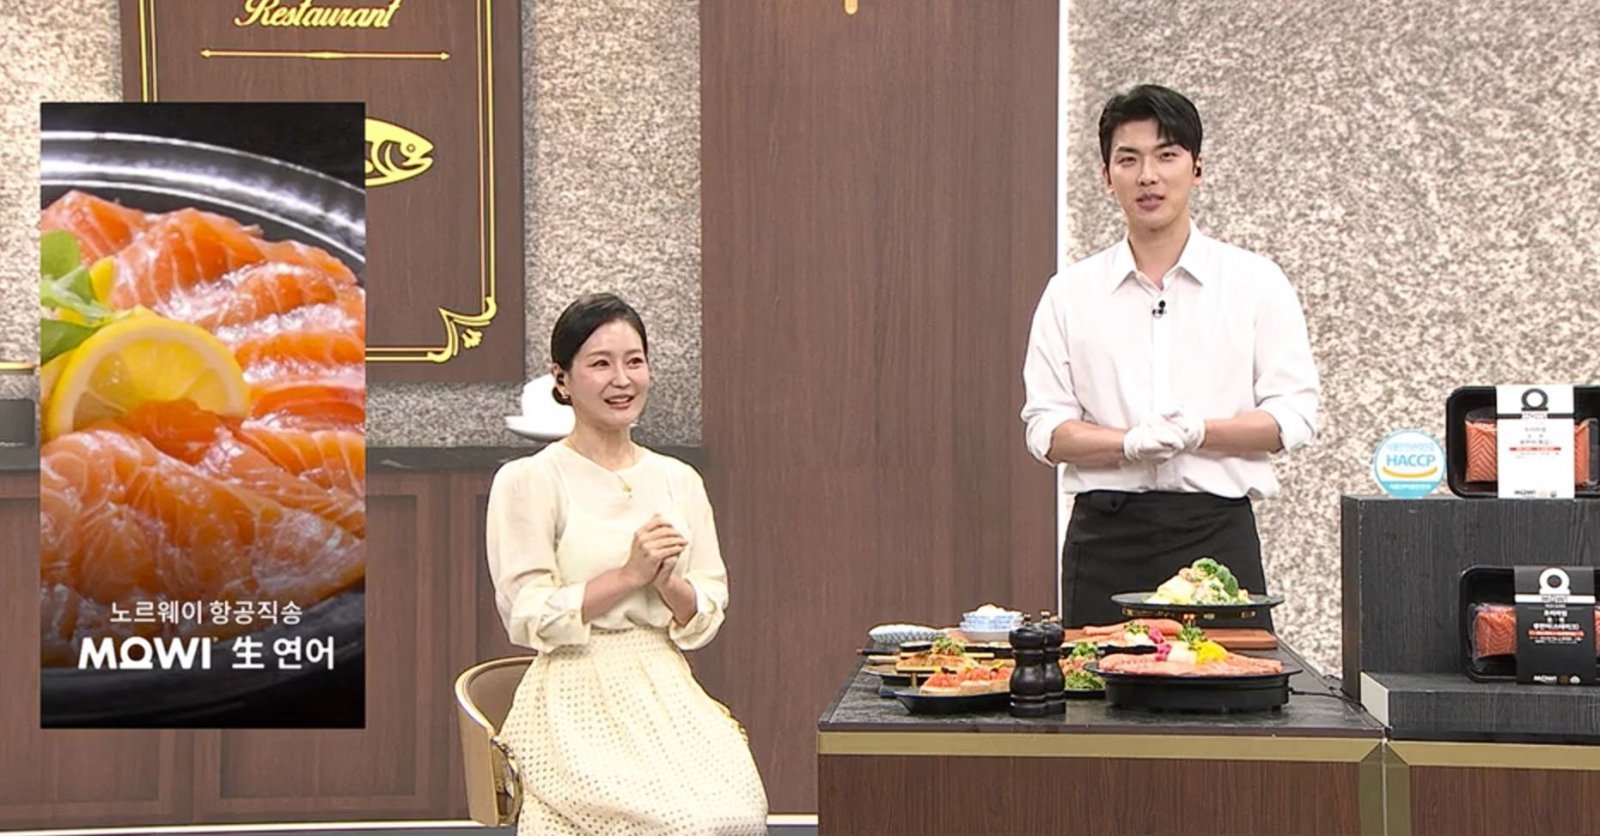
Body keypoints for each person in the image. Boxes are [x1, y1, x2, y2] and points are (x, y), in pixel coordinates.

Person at [1020, 84, 1321, 628]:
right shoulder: (1069, 293)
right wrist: (1128, 443)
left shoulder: (1255, 282)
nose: (1148, 176)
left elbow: (1292, 418)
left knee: (1233, 681)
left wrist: (1200, 433)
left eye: (1166, 155)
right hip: (1106, 535)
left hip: (1216, 533)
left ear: (1197, 167)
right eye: (1128, 160)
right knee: (1098, 680)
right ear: (1106, 176)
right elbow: (1047, 430)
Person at [486, 292, 768, 835]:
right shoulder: (530, 480)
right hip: (573, 690)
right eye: (600, 363)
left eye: (634, 361)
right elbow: (527, 614)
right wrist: (627, 576)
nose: (622, 379)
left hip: (665, 683)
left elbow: (707, 606)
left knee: (736, 815)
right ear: (562, 379)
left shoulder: (679, 480)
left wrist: (667, 583)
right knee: (673, 824)